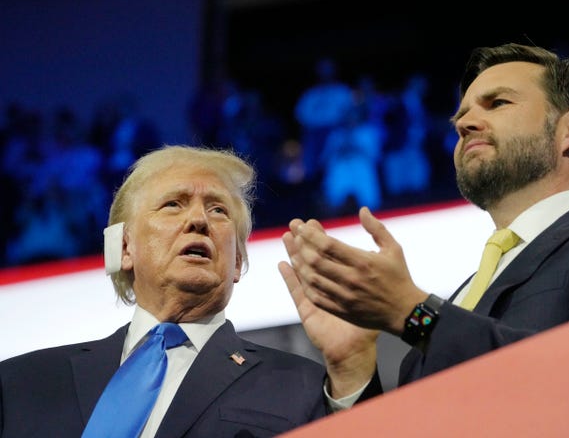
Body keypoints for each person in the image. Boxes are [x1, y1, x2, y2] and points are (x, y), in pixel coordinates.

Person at [278, 42, 569, 408]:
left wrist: (410, 312)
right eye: (459, 117)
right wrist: (353, 365)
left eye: (497, 103)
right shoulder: (459, 302)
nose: (464, 124)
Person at [0, 144, 328, 437]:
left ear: (238, 261)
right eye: (173, 204)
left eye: (218, 210)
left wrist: (354, 368)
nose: (199, 219)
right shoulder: (20, 383)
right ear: (125, 248)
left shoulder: (301, 384)